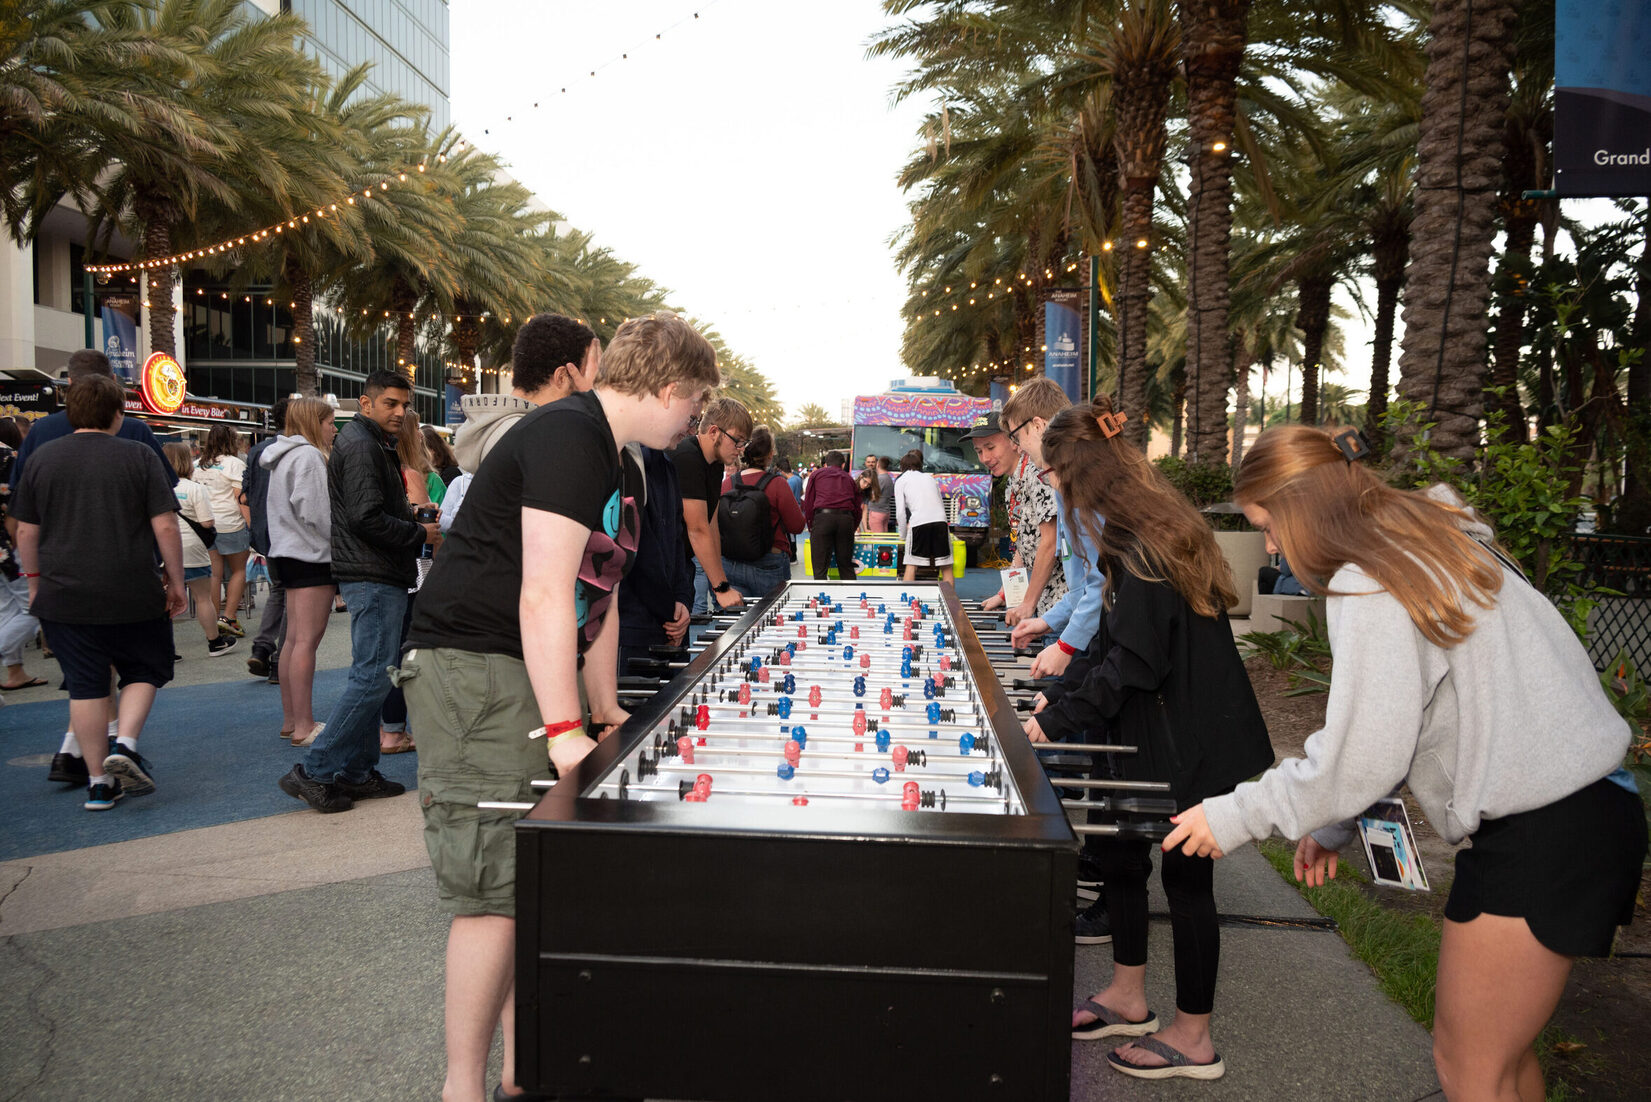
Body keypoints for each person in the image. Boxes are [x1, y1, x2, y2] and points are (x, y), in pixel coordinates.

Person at [1161, 424, 1648, 1099]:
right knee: (1499, 1063)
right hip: (1585, 813)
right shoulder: (1430, 539)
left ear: (1300, 508)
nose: (1269, 546)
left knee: (1469, 1067)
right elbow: (1402, 727)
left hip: (1543, 830)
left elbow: (1361, 756)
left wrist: (1234, 815)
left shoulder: (1371, 581)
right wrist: (1335, 823)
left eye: (1266, 525)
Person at [400, 311, 719, 1102]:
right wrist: (564, 728)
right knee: (493, 894)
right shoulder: (571, 436)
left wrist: (600, 707)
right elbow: (543, 593)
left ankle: (521, 1071)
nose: (694, 421)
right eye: (695, 404)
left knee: (527, 882)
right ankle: (460, 1090)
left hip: (518, 667)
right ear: (669, 388)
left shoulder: (611, 453)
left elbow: (592, 593)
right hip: (475, 667)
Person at [1024, 398, 1272, 1082]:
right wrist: (1060, 697)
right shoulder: (1131, 535)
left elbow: (1136, 662)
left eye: (1054, 472)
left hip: (1188, 740)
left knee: (1187, 882)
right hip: (1146, 733)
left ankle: (1194, 1038)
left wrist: (1054, 722)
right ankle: (1127, 997)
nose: (1052, 484)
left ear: (1082, 472)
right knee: (1121, 858)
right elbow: (1110, 641)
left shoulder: (1148, 545)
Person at [9, 374, 190, 811]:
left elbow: (25, 531)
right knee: (145, 667)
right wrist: (176, 580)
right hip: (131, 586)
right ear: (118, 413)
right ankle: (125, 744)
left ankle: (98, 784)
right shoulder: (138, 455)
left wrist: (34, 581)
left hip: (63, 592)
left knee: (86, 686)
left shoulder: (42, 457)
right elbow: (165, 525)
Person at [278, 370, 436, 813]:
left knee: (371, 674)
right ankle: (316, 770)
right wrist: (417, 532)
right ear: (366, 404)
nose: (400, 412)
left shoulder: (367, 442)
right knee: (372, 677)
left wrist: (409, 520)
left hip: (373, 571)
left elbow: (365, 511)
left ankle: (357, 771)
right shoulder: (364, 445)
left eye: (404, 405)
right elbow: (365, 518)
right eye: (391, 403)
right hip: (373, 572)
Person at [1003, 379, 1105, 680]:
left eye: (1016, 436)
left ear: (1038, 426)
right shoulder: (1059, 479)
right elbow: (1080, 586)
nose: (1016, 446)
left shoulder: (1081, 482)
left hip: (1105, 634)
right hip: (1087, 625)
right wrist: (1047, 622)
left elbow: (1101, 583)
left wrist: (1066, 645)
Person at [261, 398, 338, 746]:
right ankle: (304, 725)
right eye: (329, 423)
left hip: (288, 553)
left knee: (293, 640)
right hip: (311, 555)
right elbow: (318, 513)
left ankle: (292, 720)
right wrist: (341, 538)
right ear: (313, 422)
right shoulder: (308, 457)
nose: (333, 429)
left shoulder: (283, 457)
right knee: (305, 641)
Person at [452, 312, 602, 472]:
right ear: (562, 377)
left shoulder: (502, 431)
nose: (594, 389)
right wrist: (593, 406)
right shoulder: (537, 439)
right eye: (587, 377)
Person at [968, 411, 1066, 623]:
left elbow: (1050, 542)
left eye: (990, 447)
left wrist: (1027, 604)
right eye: (979, 451)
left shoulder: (1036, 472)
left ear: (1013, 441)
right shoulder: (1012, 484)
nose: (985, 458)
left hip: (1062, 605)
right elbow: (1023, 543)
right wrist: (1004, 594)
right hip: (1046, 603)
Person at [618, 443, 694, 677]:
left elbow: (678, 542)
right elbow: (641, 557)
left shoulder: (668, 465)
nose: (688, 430)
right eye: (690, 424)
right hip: (634, 626)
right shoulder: (626, 463)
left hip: (670, 622)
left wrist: (683, 600)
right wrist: (672, 614)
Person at [671, 395, 753, 612]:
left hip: (681, 563)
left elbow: (711, 524)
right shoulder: (687, 456)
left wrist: (723, 583)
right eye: (737, 440)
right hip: (663, 564)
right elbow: (697, 529)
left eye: (744, 443)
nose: (741, 448)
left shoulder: (715, 463)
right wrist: (721, 588)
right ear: (714, 431)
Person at [163, 443, 233, 657]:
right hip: (193, 549)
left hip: (164, 549)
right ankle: (215, 642)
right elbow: (206, 522)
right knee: (202, 598)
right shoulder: (195, 488)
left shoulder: (158, 487)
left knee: (165, 601)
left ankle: (166, 650)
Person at [719, 426, 805, 598]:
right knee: (772, 612)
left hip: (731, 562)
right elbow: (796, 526)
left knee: (738, 614)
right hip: (769, 562)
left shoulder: (727, 484)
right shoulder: (778, 484)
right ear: (770, 454)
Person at [243, 399, 291, 682]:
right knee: (292, 593)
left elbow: (247, 490)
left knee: (279, 590)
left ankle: (262, 647)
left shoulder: (257, 450)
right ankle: (279, 661)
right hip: (289, 533)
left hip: (265, 532)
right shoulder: (295, 450)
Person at [0, 416, 46, 690]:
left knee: (7, 609)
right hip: (11, 545)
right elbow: (19, 503)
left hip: (5, 547)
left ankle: (15, 671)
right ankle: (8, 657)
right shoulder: (10, 457)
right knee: (35, 607)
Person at [195, 424, 252, 639]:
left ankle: (213, 619)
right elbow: (241, 498)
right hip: (231, 524)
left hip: (205, 525)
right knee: (238, 571)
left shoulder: (197, 465)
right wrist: (251, 525)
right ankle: (228, 618)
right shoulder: (235, 464)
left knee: (214, 575)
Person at [894, 448, 953, 582]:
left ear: (902, 467)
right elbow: (940, 502)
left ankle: (907, 595)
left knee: (911, 565)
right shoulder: (929, 478)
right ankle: (951, 596)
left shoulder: (901, 480)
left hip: (919, 522)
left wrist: (903, 536)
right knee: (946, 566)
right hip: (940, 522)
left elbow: (900, 513)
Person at [801, 450, 860, 581]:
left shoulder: (816, 475)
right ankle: (852, 593)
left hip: (823, 518)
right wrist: (853, 526)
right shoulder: (849, 478)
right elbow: (857, 507)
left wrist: (811, 526)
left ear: (826, 464)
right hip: (846, 519)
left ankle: (822, 593)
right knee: (846, 565)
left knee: (820, 568)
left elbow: (809, 503)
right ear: (843, 465)